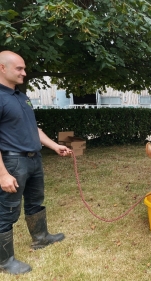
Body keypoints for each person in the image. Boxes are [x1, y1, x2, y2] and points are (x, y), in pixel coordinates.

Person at [0, 51, 72, 275]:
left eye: (24, 68)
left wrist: (54, 146)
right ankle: (5, 261)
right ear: (2, 68)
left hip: (33, 160)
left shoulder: (21, 97)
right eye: (19, 69)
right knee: (6, 211)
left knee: (35, 202)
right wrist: (2, 174)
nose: (24, 72)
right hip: (12, 162)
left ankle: (40, 238)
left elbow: (34, 129)